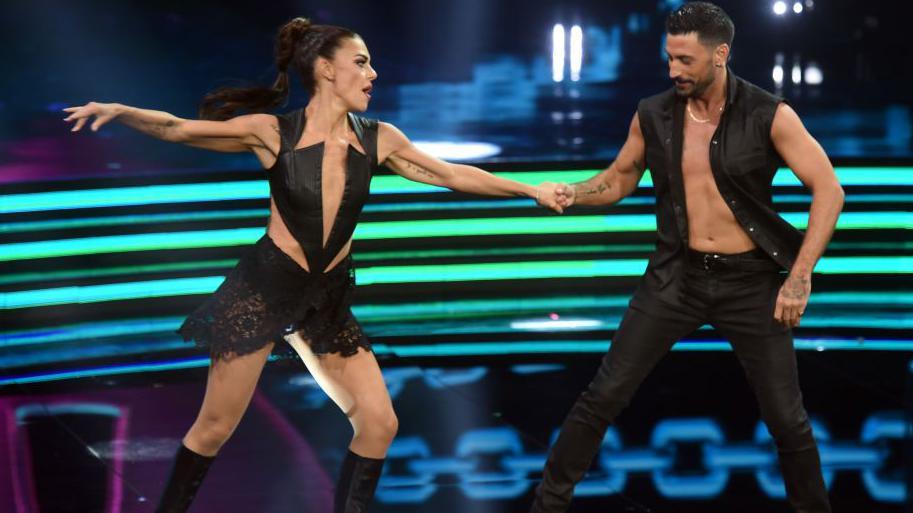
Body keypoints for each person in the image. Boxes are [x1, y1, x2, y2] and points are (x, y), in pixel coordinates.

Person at [64, 17, 563, 513]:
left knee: (379, 423)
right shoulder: (271, 132)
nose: (373, 74)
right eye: (361, 63)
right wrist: (120, 110)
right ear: (325, 69)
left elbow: (451, 174)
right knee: (215, 428)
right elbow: (176, 129)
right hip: (264, 288)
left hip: (324, 298)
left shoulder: (379, 138)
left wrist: (530, 189)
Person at [531, 3, 843, 512]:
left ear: (720, 54)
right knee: (603, 396)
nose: (673, 70)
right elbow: (620, 178)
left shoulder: (769, 113)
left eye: (685, 60)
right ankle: (547, 504)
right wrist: (574, 192)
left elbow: (829, 190)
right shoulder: (652, 114)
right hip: (677, 276)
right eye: (669, 58)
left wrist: (798, 277)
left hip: (751, 283)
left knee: (787, 419)